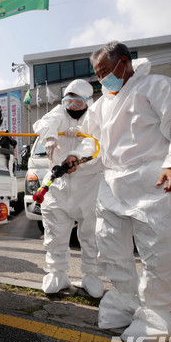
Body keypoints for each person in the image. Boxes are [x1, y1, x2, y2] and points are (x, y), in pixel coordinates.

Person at [63, 41, 171, 342]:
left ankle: (156, 315)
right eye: (97, 75)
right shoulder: (101, 105)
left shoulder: (156, 86)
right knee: (110, 246)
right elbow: (91, 142)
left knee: (158, 250)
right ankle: (126, 302)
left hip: (154, 180)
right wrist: (77, 156)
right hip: (114, 184)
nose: (101, 80)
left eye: (104, 73)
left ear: (124, 62)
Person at [32, 79, 104, 298]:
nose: (71, 107)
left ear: (87, 102)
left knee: (91, 234)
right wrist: (51, 138)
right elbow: (44, 123)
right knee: (54, 231)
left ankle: (91, 276)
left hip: (88, 184)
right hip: (59, 183)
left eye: (77, 102)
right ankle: (57, 273)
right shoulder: (58, 113)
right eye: (68, 101)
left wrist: (76, 156)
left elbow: (93, 142)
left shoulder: (95, 117)